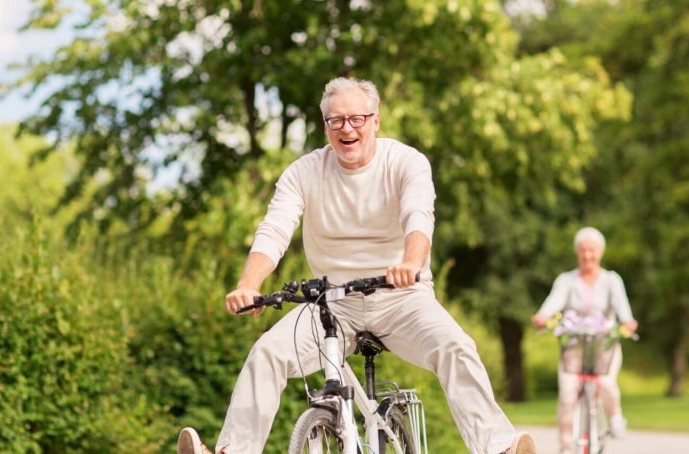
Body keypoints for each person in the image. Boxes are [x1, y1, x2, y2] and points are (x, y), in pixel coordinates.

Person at [176, 77, 536, 454]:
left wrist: (410, 263)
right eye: (336, 121)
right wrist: (248, 284)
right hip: (333, 303)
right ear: (325, 126)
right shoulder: (304, 172)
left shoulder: (405, 162)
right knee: (266, 353)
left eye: (357, 119)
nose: (347, 128)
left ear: (375, 121)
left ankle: (500, 448)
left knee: (456, 347)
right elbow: (274, 229)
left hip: (401, 297)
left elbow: (418, 216)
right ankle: (230, 451)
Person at [531, 227, 638, 454]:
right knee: (567, 395)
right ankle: (566, 447)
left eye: (592, 250)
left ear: (600, 252)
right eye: (583, 251)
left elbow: (622, 307)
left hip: (604, 345)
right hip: (574, 346)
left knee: (606, 383)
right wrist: (542, 316)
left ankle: (615, 416)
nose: (587, 255)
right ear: (576, 253)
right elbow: (554, 301)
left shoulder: (611, 280)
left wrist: (628, 322)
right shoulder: (567, 280)